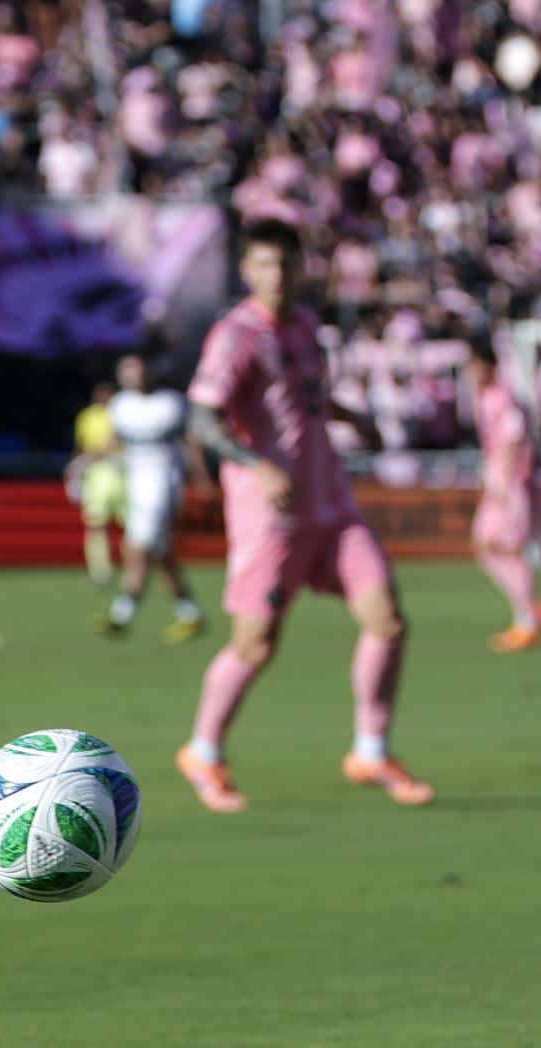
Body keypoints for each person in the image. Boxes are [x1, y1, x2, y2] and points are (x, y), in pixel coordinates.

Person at [175, 219, 434, 812]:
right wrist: (255, 464)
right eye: (264, 264)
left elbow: (304, 396)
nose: (276, 275)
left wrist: (350, 416)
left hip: (330, 502)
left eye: (286, 263)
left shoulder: (306, 326)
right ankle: (204, 751)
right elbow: (203, 419)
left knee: (387, 619)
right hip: (271, 512)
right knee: (256, 643)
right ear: (247, 270)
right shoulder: (236, 336)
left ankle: (371, 749)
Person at [101, 352, 207, 643]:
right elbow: (114, 441)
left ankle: (123, 611)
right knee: (160, 553)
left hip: (164, 484)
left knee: (138, 547)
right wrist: (89, 461)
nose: (131, 376)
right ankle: (190, 612)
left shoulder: (170, 403)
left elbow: (191, 441)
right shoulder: (120, 405)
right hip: (134, 484)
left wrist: (200, 477)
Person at [469, 339, 541, 652]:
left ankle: (527, 618)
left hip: (509, 485)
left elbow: (515, 439)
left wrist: (506, 481)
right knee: (488, 547)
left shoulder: (503, 399)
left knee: (504, 548)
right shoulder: (486, 397)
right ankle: (529, 606)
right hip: (499, 484)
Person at [67, 380, 123, 588]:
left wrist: (99, 453)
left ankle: (134, 567)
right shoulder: (87, 417)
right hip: (97, 475)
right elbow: (81, 447)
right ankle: (100, 571)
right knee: (97, 524)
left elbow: (120, 443)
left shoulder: (123, 412)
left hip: (121, 472)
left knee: (131, 525)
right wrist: (78, 469)